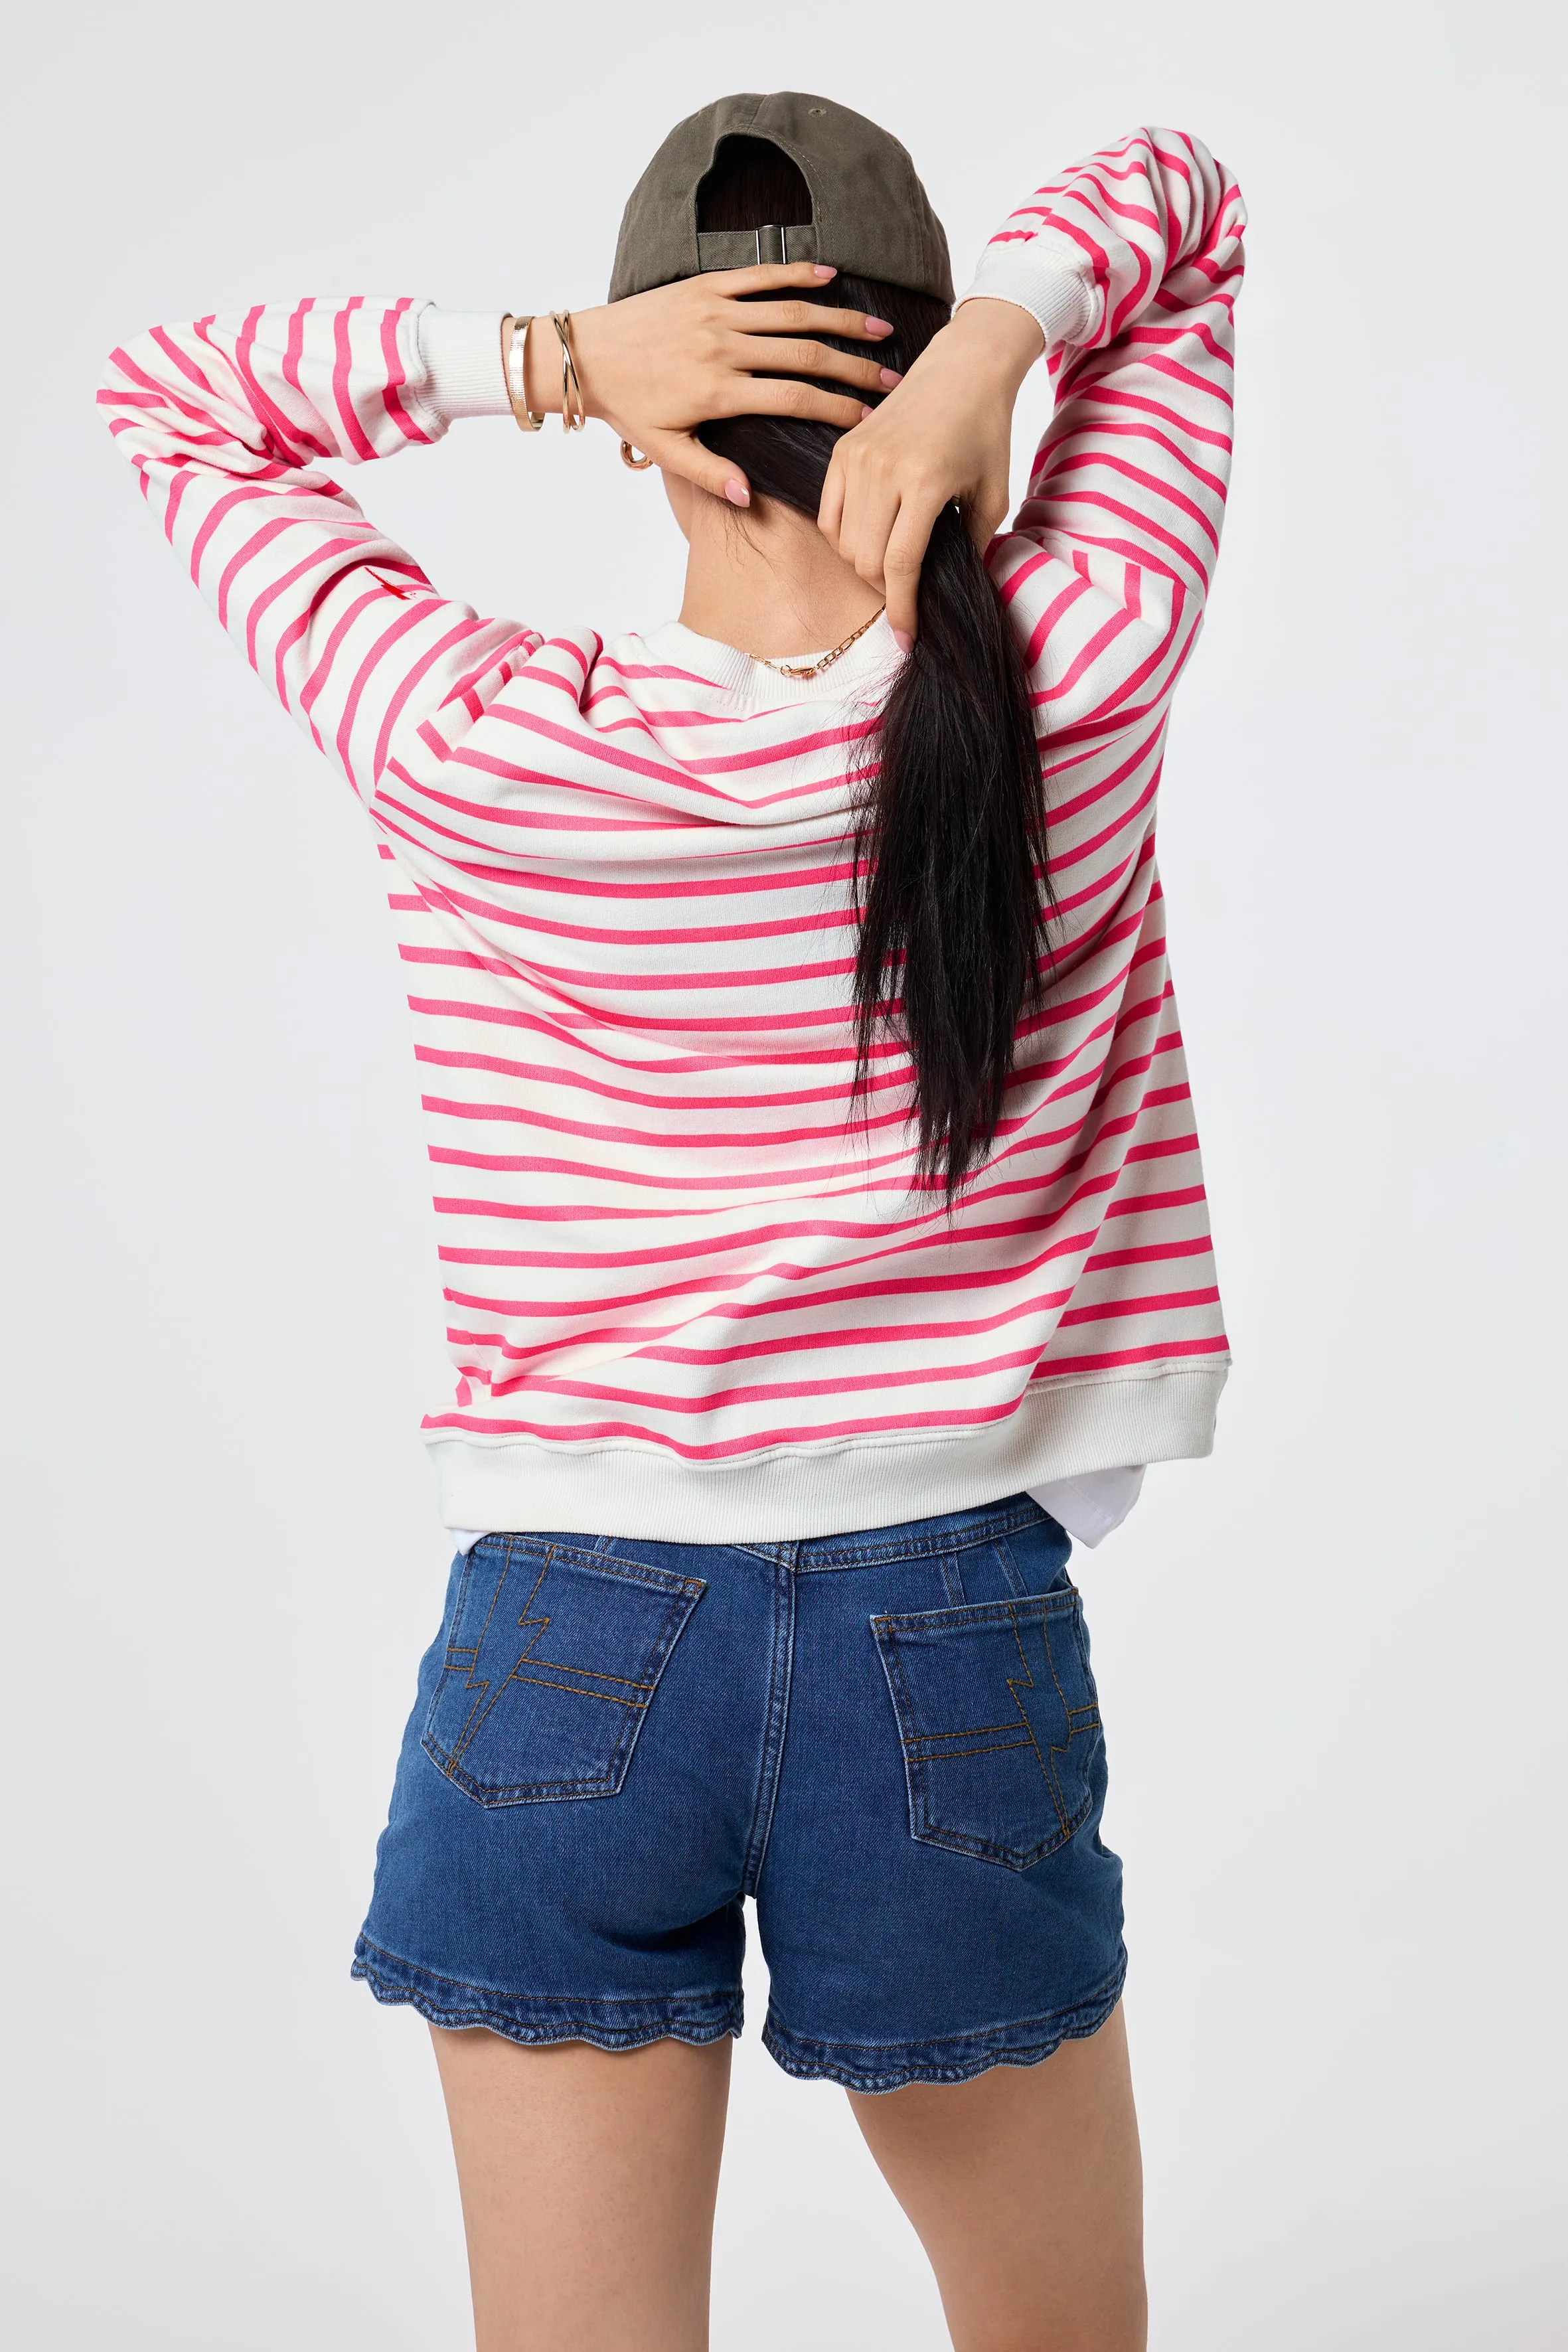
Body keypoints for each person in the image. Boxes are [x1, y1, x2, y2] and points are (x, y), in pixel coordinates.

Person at [101, 91, 1245, 2352]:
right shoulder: (1080, 674)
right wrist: (1006, 335)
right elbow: (1182, 211)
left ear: (655, 426)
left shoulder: (479, 741)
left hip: (562, 1643)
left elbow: (170, 396)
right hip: (948, 1629)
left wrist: (532, 363)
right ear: (927, 380)